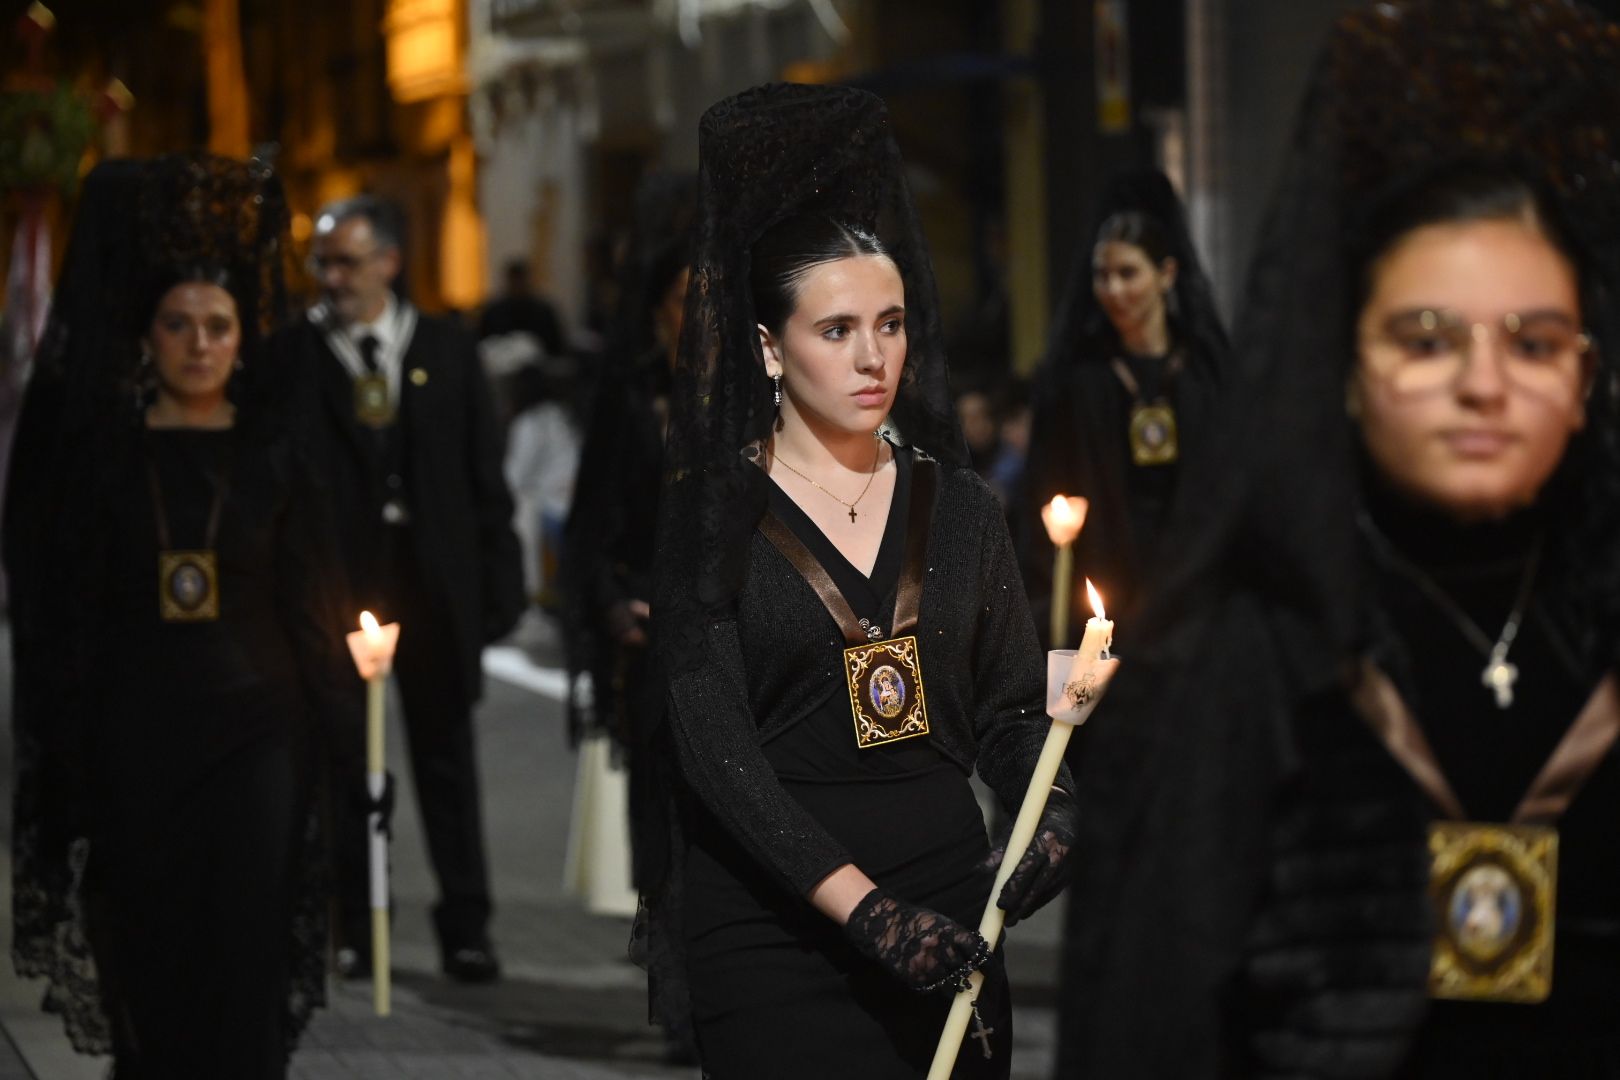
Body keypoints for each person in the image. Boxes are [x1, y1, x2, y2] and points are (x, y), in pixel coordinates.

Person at [1059, 2, 1620, 1076]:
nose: (1485, 384)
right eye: (1426, 337)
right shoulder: (1239, 659)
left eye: (1535, 342)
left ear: (1587, 381)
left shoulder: (1600, 630)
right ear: (1347, 370)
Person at [648, 82, 1077, 1079]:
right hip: (775, 928)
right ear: (766, 347)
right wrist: (867, 910)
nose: (873, 355)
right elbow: (717, 755)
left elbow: (1013, 711)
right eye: (835, 331)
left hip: (949, 912)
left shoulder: (960, 507)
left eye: (889, 324)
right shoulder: (716, 513)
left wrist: (1047, 818)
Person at [6, 154, 348, 1078]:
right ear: (145, 337)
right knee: (150, 956)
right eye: (179, 325)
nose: (200, 343)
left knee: (245, 951)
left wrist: (349, 719)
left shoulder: (274, 456)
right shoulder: (100, 459)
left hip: (258, 740)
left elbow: (311, 605)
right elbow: (59, 600)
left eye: (219, 326)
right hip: (138, 736)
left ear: (244, 338)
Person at [274, 195, 526, 983]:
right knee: (348, 757)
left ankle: (466, 928)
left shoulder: (447, 349)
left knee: (445, 760)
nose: (331, 277)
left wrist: (497, 589)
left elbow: (486, 477)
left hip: (430, 587)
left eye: (347, 261)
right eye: (323, 262)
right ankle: (354, 923)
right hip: (338, 586)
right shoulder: (295, 356)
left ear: (388, 261)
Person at [1022, 169, 1230, 638]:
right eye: (1103, 275)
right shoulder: (1080, 379)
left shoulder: (1204, 374)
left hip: (1195, 587)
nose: (1114, 290)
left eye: (1128, 273)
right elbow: (1048, 485)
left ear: (1167, 274)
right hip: (1108, 586)